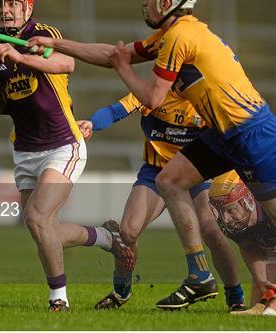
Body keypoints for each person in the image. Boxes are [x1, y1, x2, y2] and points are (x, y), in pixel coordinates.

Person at [26, 0, 276, 309]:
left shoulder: (179, 37)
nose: (144, 2)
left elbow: (152, 97)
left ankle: (215, 283)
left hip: (253, 134)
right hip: (224, 135)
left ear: (166, 2)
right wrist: (55, 43)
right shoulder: (173, 33)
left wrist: (123, 68)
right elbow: (113, 54)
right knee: (170, 180)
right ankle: (199, 275)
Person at [0, 0, 133, 312]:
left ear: (27, 9)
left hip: (64, 145)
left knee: (38, 218)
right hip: (26, 151)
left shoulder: (40, 36)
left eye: (12, 4)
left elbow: (65, 64)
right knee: (42, 227)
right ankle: (108, 238)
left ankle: (59, 300)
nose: (5, 11)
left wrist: (20, 55)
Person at [78, 90, 245, 311]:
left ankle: (235, 297)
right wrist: (92, 123)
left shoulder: (206, 96)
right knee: (128, 232)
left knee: (211, 231)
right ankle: (122, 291)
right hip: (156, 170)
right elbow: (115, 111)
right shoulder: (153, 92)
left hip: (197, 170)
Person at [209, 171, 276, 316]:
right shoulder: (236, 222)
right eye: (221, 211)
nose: (226, 218)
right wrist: (260, 279)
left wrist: (271, 312)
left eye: (230, 209)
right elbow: (248, 247)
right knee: (263, 297)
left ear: (248, 201)